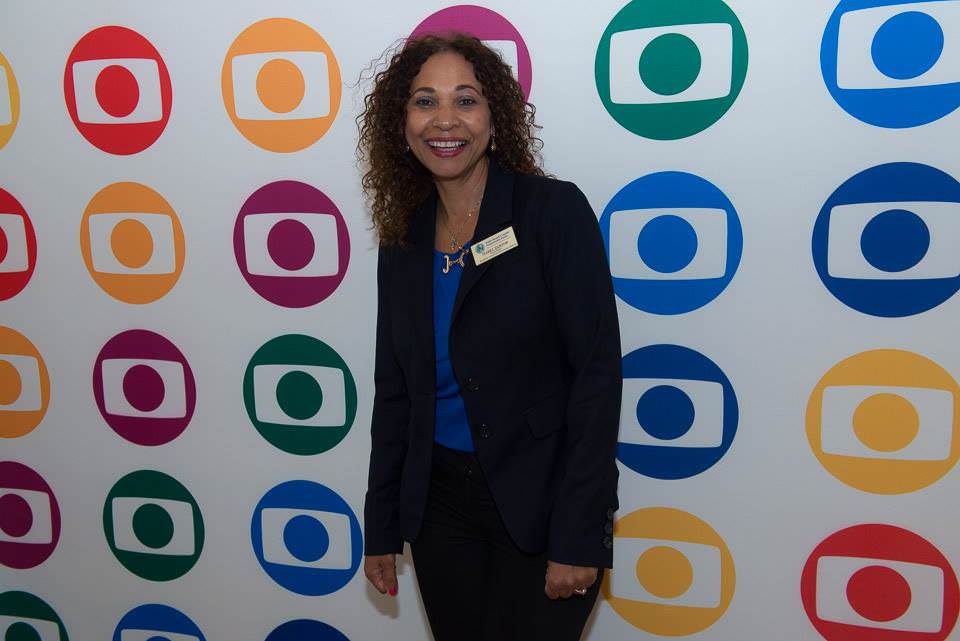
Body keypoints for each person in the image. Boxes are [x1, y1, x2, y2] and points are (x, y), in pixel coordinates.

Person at [358, 33, 622, 641]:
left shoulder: (551, 212)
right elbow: (395, 390)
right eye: (425, 101)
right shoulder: (404, 238)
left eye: (466, 100)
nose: (444, 119)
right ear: (402, 123)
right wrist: (381, 523)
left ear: (495, 118)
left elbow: (596, 376)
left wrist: (578, 532)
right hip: (440, 507)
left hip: (541, 501)